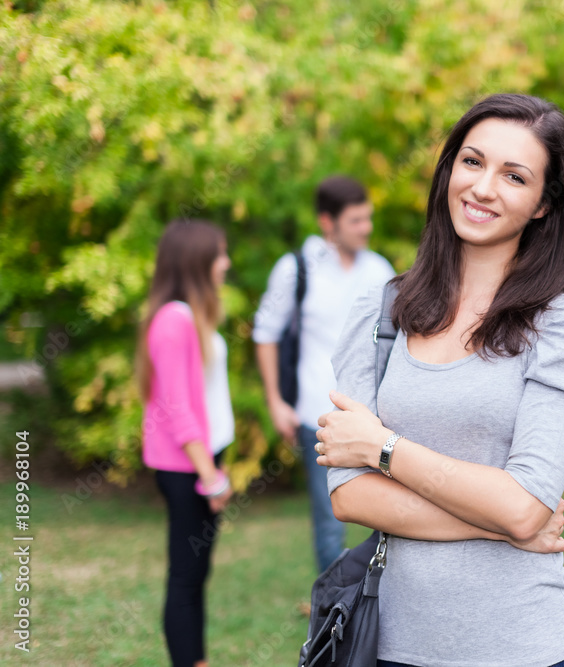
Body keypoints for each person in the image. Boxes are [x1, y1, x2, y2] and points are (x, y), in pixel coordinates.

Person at [314, 93, 564, 667]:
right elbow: (351, 496)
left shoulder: (561, 326)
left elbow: (526, 505)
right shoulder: (381, 315)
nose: (482, 187)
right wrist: (501, 525)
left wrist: (383, 447)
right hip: (395, 647)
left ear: (544, 204)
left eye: (514, 176)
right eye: (472, 162)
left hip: (531, 647)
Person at [253, 176, 394, 572]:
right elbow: (265, 334)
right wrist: (276, 402)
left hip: (377, 416)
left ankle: (375, 602)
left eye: (368, 218)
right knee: (330, 520)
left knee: (388, 515)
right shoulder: (296, 269)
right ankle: (333, 617)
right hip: (317, 414)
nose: (366, 228)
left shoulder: (378, 269)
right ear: (327, 223)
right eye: (355, 221)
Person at [138, 220, 235, 667]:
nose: (226, 264)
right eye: (219, 255)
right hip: (188, 467)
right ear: (195, 262)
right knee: (185, 578)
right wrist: (210, 477)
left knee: (194, 575)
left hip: (200, 462)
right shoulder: (174, 320)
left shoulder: (187, 316)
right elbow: (176, 409)